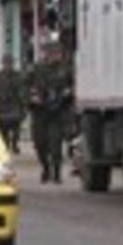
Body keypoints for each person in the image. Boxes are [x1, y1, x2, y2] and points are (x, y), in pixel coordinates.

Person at [27, 43, 73, 184]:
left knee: (55, 144)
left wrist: (69, 92)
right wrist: (32, 97)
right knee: (40, 143)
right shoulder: (36, 69)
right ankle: (45, 168)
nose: (55, 56)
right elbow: (24, 86)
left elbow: (73, 85)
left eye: (57, 53)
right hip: (40, 112)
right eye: (51, 53)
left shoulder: (66, 70)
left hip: (57, 113)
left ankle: (57, 173)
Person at [0, 55, 27, 154]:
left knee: (16, 127)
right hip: (3, 105)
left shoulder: (17, 75)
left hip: (15, 104)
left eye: (9, 63)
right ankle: (6, 145)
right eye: (5, 63)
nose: (7, 65)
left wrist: (22, 103)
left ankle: (14, 144)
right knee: (3, 128)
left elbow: (22, 89)